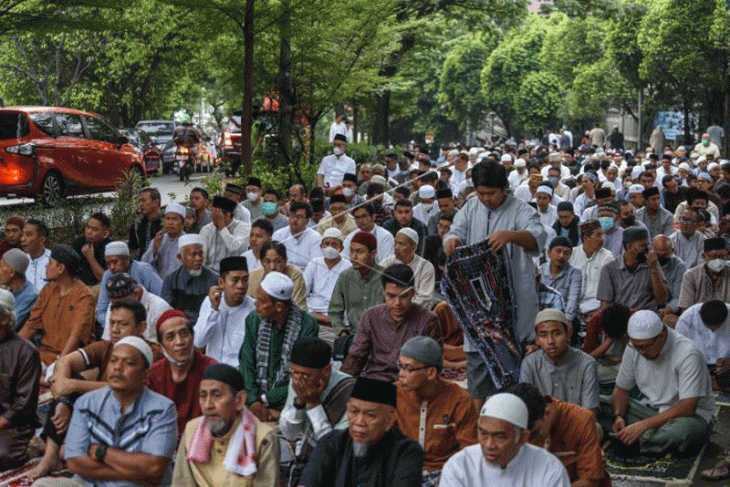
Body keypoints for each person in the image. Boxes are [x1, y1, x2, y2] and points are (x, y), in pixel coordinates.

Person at [444, 161, 547, 404]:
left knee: (515, 387)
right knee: (478, 387)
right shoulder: (470, 208)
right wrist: (451, 241)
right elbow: (454, 231)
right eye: (481, 193)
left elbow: (538, 238)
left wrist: (510, 236)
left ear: (504, 189)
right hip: (480, 313)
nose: (485, 198)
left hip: (515, 311)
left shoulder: (521, 210)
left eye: (491, 193)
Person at [30, 299, 163, 481]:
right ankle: (51, 455)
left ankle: (71, 449)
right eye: (112, 323)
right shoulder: (106, 346)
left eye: (122, 324)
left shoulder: (151, 353)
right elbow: (65, 362)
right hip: (94, 412)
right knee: (69, 383)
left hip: (125, 418)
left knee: (74, 384)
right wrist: (62, 398)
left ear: (141, 327)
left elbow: (133, 388)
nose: (115, 329)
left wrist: (73, 385)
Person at [31, 337, 178, 487]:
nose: (117, 368)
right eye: (113, 361)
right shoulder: (87, 403)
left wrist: (102, 452)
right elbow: (76, 462)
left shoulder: (162, 410)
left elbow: (153, 469)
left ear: (145, 374)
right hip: (89, 483)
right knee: (41, 485)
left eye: (128, 363)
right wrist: (134, 468)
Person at [605, 310, 714, 455]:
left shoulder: (688, 353)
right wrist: (619, 416)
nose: (641, 352)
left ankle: (637, 442)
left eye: (644, 347)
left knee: (682, 432)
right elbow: (621, 389)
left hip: (688, 418)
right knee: (599, 404)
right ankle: (638, 438)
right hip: (650, 411)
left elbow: (688, 407)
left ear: (662, 337)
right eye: (636, 347)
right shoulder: (634, 347)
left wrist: (644, 425)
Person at [298, 377, 424, 487]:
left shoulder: (407, 453)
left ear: (390, 420)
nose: (359, 422)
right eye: (354, 411)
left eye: (370, 415)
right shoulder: (331, 442)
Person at [173, 363, 280, 486]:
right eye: (203, 396)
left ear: (239, 400)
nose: (208, 405)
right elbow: (181, 483)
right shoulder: (192, 430)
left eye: (217, 395)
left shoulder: (263, 437)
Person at [440, 392, 570, 486]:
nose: (489, 445)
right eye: (483, 434)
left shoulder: (549, 469)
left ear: (523, 438)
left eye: (500, 436)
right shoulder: (460, 466)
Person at [395, 336, 478, 485]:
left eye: (408, 368)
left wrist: (449, 478)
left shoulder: (460, 400)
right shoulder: (392, 394)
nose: (401, 373)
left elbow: (468, 451)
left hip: (443, 473)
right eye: (400, 366)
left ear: (431, 373)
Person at [239, 272, 319, 421]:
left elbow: (303, 376)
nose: (256, 303)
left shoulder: (307, 325)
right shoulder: (253, 319)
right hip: (254, 401)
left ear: (279, 307)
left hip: (288, 401)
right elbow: (246, 363)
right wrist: (254, 401)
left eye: (262, 301)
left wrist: (266, 399)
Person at [341, 264, 442, 381]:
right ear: (383, 292)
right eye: (391, 296)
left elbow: (433, 365)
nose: (397, 303)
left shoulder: (428, 320)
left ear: (413, 293)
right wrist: (341, 383)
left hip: (411, 386)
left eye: (404, 296)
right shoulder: (370, 317)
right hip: (374, 381)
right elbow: (356, 357)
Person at [279, 338, 355, 485]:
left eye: (305, 374)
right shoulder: (297, 379)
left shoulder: (349, 391)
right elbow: (290, 434)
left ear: (326, 371)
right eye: (293, 372)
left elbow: (334, 450)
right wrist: (299, 402)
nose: (298, 379)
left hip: (333, 468)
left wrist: (314, 404)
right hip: (300, 455)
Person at [511, 383, 610, 487]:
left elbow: (590, 481)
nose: (527, 443)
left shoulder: (581, 420)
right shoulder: (503, 427)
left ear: (547, 414)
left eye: (534, 434)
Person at [19, 245, 94, 365]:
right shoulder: (47, 290)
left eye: (50, 263)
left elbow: (76, 336)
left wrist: (60, 363)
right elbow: (31, 325)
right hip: (45, 354)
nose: (46, 266)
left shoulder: (84, 295)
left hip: (73, 357)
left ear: (61, 268)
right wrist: (11, 348)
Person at [147, 309, 217, 435]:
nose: (179, 342)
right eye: (170, 337)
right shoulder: (152, 374)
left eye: (184, 334)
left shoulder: (211, 370)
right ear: (161, 346)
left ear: (193, 337)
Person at [520, 308, 599, 413]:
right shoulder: (530, 364)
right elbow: (525, 409)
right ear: (537, 339)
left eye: (557, 334)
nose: (550, 341)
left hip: (576, 424)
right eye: (543, 335)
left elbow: (589, 413)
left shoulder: (587, 364)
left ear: (567, 334)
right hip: (542, 425)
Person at [0, 289, 40, 470]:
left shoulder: (27, 352)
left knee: (4, 455)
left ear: (4, 319)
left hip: (10, 425)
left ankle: (33, 448)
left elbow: (23, 406)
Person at [194, 256, 255, 367]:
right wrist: (214, 310)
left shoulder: (254, 309)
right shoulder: (210, 302)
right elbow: (198, 342)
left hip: (238, 376)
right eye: (235, 280)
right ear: (221, 283)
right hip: (212, 371)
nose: (241, 286)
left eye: (245, 280)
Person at [597, 227, 668, 312]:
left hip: (647, 315)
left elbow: (662, 300)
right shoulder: (609, 269)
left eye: (648, 245)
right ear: (629, 247)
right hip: (621, 317)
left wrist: (653, 270)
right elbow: (605, 306)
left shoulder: (652, 264)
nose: (648, 250)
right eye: (643, 246)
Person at [329, 231, 384, 336]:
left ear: (373, 254)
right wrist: (342, 332)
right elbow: (334, 312)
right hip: (353, 336)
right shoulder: (346, 276)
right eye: (351, 251)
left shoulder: (385, 278)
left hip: (381, 337)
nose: (353, 256)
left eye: (359, 252)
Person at [95, 241, 163, 326]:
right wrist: (116, 325)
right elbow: (101, 311)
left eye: (115, 262)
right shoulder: (108, 274)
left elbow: (162, 296)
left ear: (127, 258)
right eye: (108, 264)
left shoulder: (143, 269)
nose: (112, 267)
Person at [160, 233, 219, 323]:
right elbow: (167, 309)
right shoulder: (171, 279)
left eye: (201, 254)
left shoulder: (213, 278)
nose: (199, 258)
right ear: (180, 257)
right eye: (193, 254)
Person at [302, 228, 351, 331]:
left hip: (337, 311)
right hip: (314, 309)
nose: (330, 247)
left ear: (341, 248)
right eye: (327, 244)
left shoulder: (348, 267)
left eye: (334, 244)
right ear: (321, 247)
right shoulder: (314, 263)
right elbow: (304, 290)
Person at [101, 273, 172, 342]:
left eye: (123, 324)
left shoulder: (161, 308)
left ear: (136, 294)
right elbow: (107, 339)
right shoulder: (115, 302)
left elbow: (168, 345)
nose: (115, 329)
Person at [676, 300, 730, 389]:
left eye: (718, 327)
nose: (714, 331)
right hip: (696, 366)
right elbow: (679, 352)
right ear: (700, 316)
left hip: (726, 368)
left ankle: (708, 385)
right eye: (710, 328)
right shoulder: (686, 319)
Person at [567, 220, 614, 315]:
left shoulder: (607, 256)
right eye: (598, 235)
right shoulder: (572, 255)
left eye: (603, 235)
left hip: (596, 306)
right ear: (586, 238)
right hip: (572, 304)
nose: (602, 239)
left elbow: (607, 291)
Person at [379, 228, 435, 306]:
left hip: (416, 312)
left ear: (414, 248)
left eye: (402, 244)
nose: (396, 247)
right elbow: (377, 290)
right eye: (396, 243)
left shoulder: (426, 267)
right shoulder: (387, 263)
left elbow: (424, 298)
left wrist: (402, 307)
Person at [247, 241, 308, 310]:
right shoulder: (254, 276)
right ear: (261, 262)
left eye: (278, 262)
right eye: (267, 262)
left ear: (285, 261)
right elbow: (248, 304)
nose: (272, 267)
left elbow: (298, 307)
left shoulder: (295, 275)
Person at [678, 237, 730, 312]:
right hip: (698, 319)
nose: (718, 260)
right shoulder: (691, 275)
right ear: (703, 256)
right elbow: (686, 308)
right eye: (714, 256)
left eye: (722, 257)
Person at [200, 195, 250, 272]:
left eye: (217, 216)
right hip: (211, 271)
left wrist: (222, 228)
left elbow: (234, 247)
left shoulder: (243, 227)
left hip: (235, 271)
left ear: (228, 215)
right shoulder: (207, 229)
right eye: (213, 215)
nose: (213, 220)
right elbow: (202, 254)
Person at [539, 237, 582, 324]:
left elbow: (573, 300)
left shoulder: (575, 273)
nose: (562, 256)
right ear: (549, 252)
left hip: (564, 318)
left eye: (566, 253)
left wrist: (566, 322)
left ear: (570, 256)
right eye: (558, 251)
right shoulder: (540, 271)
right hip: (541, 317)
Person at [273, 201, 323, 272]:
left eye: (299, 217)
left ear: (307, 220)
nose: (295, 220)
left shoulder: (315, 238)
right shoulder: (278, 235)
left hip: (304, 277)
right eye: (292, 215)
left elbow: (315, 267)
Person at [141, 201, 188, 278]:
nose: (170, 223)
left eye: (175, 219)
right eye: (167, 219)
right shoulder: (158, 239)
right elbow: (144, 265)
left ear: (183, 223)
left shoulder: (187, 242)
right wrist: (155, 248)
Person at [0, 248, 37, 329]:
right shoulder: (10, 289)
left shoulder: (30, 296)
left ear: (12, 272)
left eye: (1, 267)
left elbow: (10, 324)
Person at [72, 212, 112, 287]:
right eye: (87, 227)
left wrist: (90, 257)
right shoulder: (79, 242)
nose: (89, 232)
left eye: (94, 230)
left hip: (102, 286)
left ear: (105, 234)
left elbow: (106, 279)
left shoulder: (110, 248)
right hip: (80, 285)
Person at [652, 235, 686, 320]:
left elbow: (678, 297)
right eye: (658, 254)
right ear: (652, 250)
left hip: (667, 307)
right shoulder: (646, 263)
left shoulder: (679, 266)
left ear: (672, 250)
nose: (661, 257)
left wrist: (667, 309)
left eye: (665, 254)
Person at [129, 188, 164, 259]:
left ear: (156, 203)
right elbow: (133, 248)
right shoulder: (137, 223)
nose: (141, 204)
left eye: (144, 201)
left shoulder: (165, 223)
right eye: (139, 201)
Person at [21, 218, 51, 292]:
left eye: (28, 235)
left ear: (41, 240)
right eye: (22, 235)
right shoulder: (21, 261)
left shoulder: (53, 260)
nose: (22, 239)